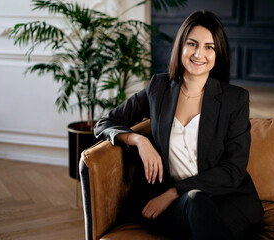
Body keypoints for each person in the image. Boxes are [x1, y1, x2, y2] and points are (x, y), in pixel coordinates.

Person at [94, 10, 264, 240]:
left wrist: (174, 192)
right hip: (181, 207)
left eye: (209, 47)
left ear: (218, 53)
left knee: (200, 208)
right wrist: (139, 140)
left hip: (227, 200)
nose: (198, 53)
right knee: (195, 204)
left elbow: (233, 170)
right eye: (192, 44)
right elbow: (105, 122)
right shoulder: (159, 88)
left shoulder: (235, 99)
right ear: (180, 46)